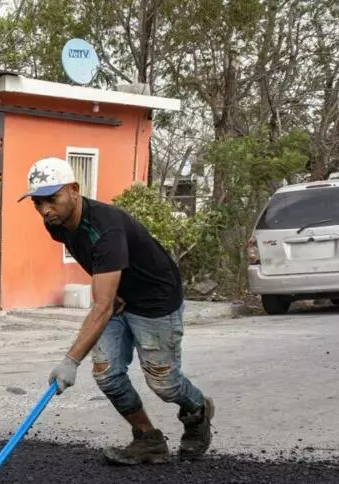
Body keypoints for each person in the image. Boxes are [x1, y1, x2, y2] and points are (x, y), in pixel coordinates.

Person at [19, 156, 214, 465]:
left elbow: (101, 306)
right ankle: (148, 440)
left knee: (163, 382)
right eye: (38, 203)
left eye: (52, 200)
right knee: (107, 375)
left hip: (155, 299)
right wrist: (114, 290)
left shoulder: (106, 227)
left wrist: (71, 361)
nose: (44, 210)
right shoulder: (55, 224)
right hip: (120, 296)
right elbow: (95, 264)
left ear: (73, 189)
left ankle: (197, 410)